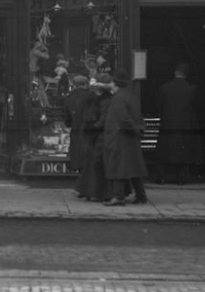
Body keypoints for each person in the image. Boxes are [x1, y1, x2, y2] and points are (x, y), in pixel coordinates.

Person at [102, 71, 149, 205]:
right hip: (131, 138)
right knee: (134, 167)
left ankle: (118, 196)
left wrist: (132, 128)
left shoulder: (118, 98)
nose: (110, 84)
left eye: (111, 82)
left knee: (118, 167)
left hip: (120, 138)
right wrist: (138, 130)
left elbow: (123, 119)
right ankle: (141, 195)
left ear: (116, 84)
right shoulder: (131, 96)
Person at [154, 62, 201, 185]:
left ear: (175, 73)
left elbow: (158, 106)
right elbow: (197, 107)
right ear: (186, 75)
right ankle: (181, 178)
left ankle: (162, 177)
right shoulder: (192, 89)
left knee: (164, 150)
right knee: (183, 152)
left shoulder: (165, 88)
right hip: (185, 125)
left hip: (167, 123)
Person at [61, 71, 99, 200]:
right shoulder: (92, 96)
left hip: (77, 134)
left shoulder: (69, 99)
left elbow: (67, 121)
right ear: (86, 84)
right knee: (90, 163)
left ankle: (83, 189)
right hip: (91, 133)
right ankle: (87, 190)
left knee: (82, 164)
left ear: (74, 84)